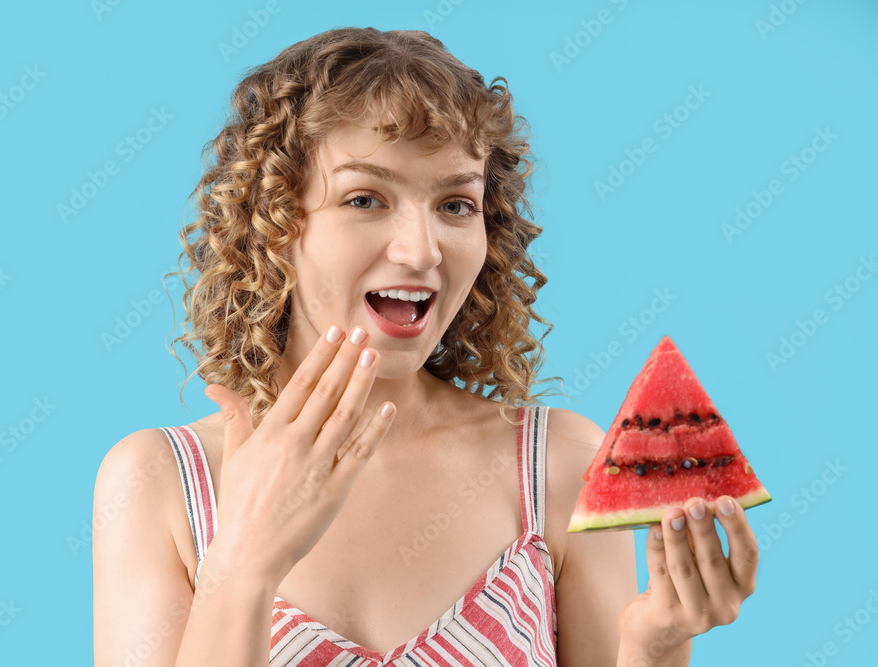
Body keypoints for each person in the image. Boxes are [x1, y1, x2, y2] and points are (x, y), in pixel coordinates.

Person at [93, 27, 760, 667]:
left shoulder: (557, 466)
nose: (420, 250)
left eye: (456, 205)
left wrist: (658, 643)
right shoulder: (157, 481)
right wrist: (242, 560)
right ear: (274, 224)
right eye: (363, 198)